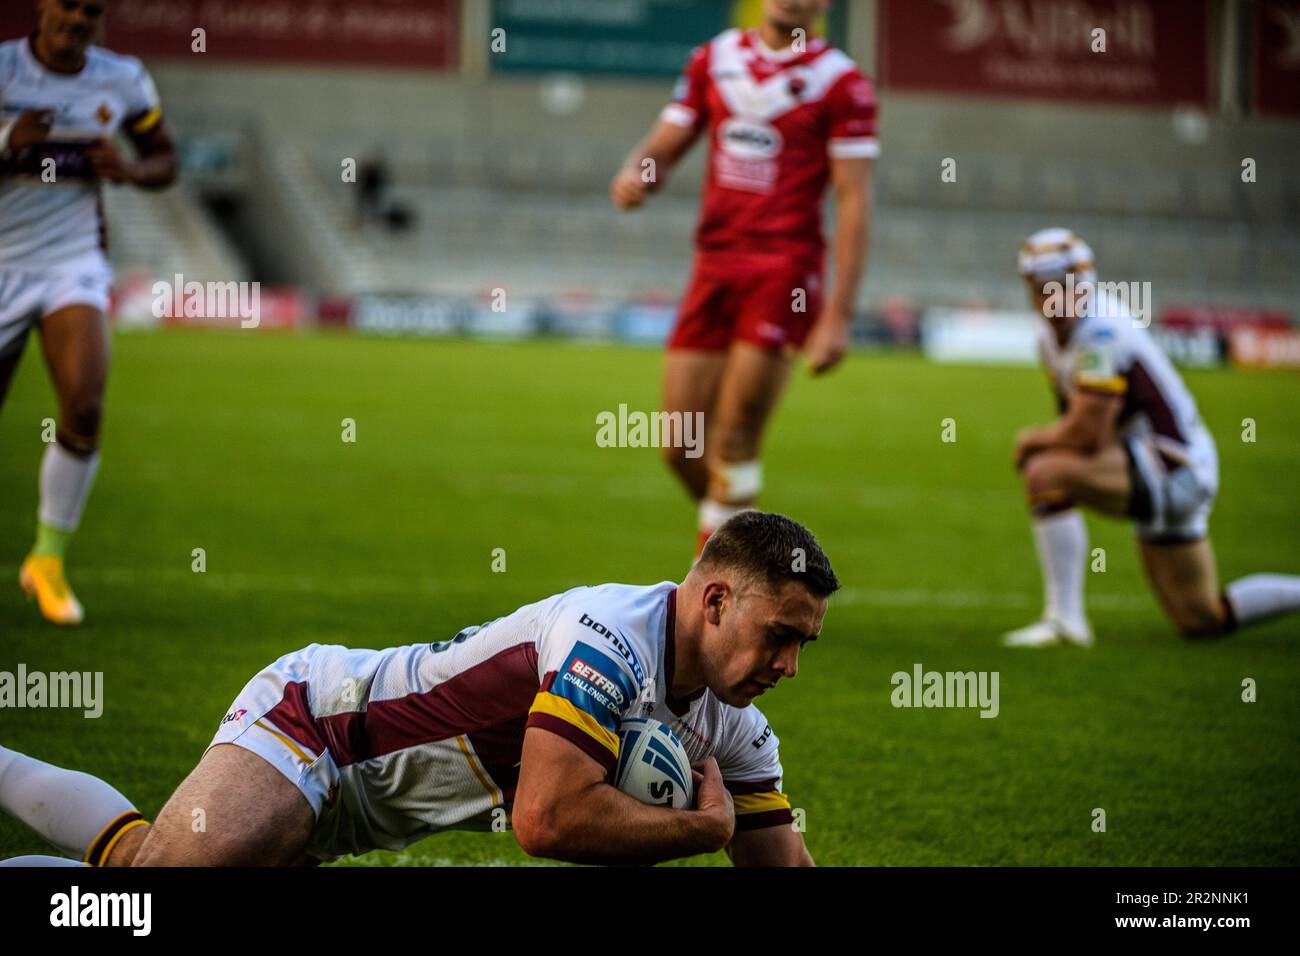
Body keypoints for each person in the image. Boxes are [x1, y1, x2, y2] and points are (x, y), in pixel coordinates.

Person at [0, 511, 836, 866]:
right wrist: (701, 827)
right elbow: (544, 821)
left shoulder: (737, 728)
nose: (789, 665)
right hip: (319, 727)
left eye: (803, 645)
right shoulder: (607, 639)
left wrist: (726, 827)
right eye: (782, 636)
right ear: (718, 600)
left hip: (365, 815)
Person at [610, 0, 878, 555]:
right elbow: (666, 142)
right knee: (678, 445)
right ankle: (755, 557)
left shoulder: (842, 83)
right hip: (713, 263)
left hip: (784, 271)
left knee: (733, 440)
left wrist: (838, 317)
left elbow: (853, 201)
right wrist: (639, 174)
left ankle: (717, 611)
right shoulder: (714, 58)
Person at [1003, 227, 1300, 647]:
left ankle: (1065, 619)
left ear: (1083, 281)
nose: (1051, 297)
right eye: (1041, 288)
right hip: (1166, 465)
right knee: (1201, 619)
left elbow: (1088, 434)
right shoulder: (1052, 334)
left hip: (1172, 467)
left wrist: (1034, 440)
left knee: (1045, 472)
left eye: (1061, 286)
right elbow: (1077, 424)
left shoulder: (1101, 331)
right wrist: (1059, 438)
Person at [1, 0, 179, 625]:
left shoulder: (122, 78)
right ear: (42, 7)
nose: (77, 19)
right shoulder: (2, 71)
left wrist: (129, 169)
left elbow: (167, 159)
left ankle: (46, 561)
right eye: (67, 6)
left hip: (70, 264)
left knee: (84, 402)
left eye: (92, 10)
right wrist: (5, 142)